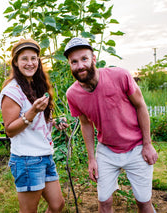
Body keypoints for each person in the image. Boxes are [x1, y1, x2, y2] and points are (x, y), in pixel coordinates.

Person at [64, 37, 158, 213]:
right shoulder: (72, 94)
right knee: (104, 202)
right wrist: (92, 159)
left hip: (136, 146)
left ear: (93, 59)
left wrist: (147, 144)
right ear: (70, 65)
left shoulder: (119, 75)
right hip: (106, 150)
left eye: (84, 59)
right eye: (74, 62)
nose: (80, 66)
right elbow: (85, 124)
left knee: (143, 202)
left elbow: (141, 105)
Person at [0, 38, 68, 213]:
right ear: (15, 62)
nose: (30, 63)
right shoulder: (12, 91)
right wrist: (33, 112)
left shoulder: (36, 86)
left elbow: (35, 124)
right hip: (27, 159)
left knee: (57, 205)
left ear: (38, 60)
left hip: (44, 155)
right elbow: (10, 130)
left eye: (33, 58)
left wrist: (53, 123)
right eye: (24, 59)